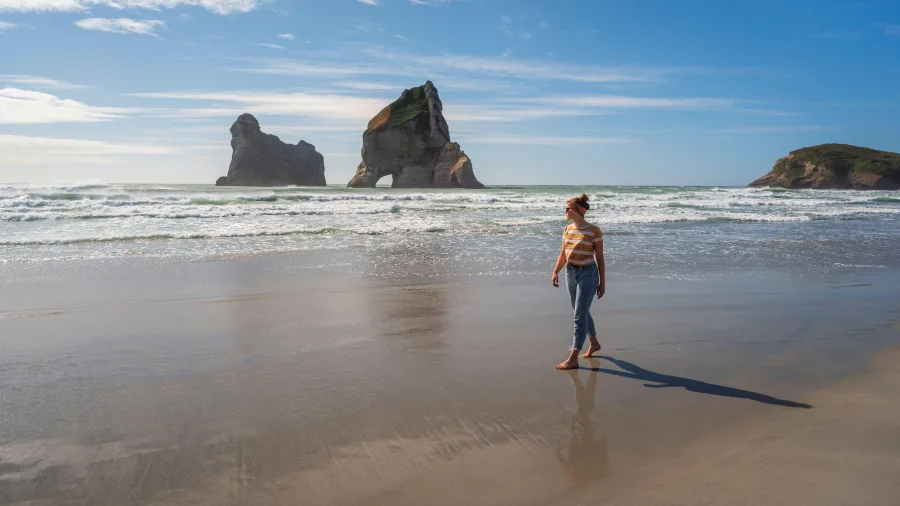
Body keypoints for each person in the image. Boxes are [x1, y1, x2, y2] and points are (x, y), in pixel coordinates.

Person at [551, 194, 605, 370]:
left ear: (578, 211)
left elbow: (600, 259)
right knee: (580, 311)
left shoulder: (594, 231)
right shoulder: (567, 230)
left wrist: (602, 283)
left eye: (568, 208)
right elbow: (563, 253)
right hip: (570, 272)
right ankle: (594, 342)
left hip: (588, 274)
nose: (565, 211)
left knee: (578, 315)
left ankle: (573, 357)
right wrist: (555, 271)